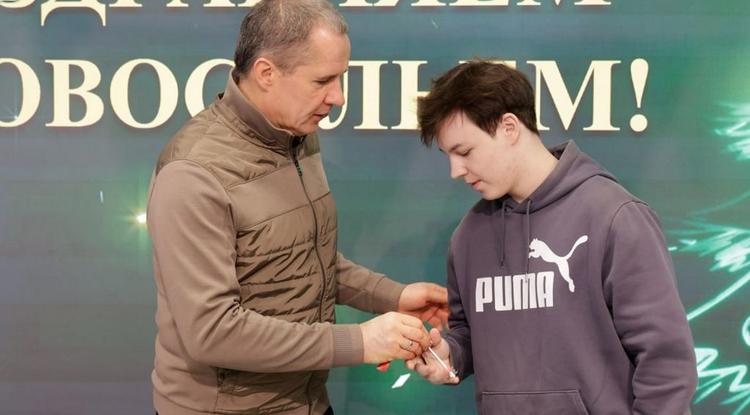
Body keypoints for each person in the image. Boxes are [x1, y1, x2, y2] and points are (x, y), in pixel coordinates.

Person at [146, 1, 448, 414]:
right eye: (322, 81)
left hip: (308, 402)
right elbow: (212, 331)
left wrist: (392, 296)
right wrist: (360, 342)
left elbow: (303, 259)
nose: (337, 97)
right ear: (266, 73)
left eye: (340, 78)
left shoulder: (297, 136)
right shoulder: (193, 173)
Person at [407, 60, 697, 415]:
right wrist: (450, 356)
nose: (456, 170)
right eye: (448, 156)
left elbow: (666, 364)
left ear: (509, 127)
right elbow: (469, 332)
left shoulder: (615, 217)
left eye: (465, 152)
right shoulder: (468, 237)